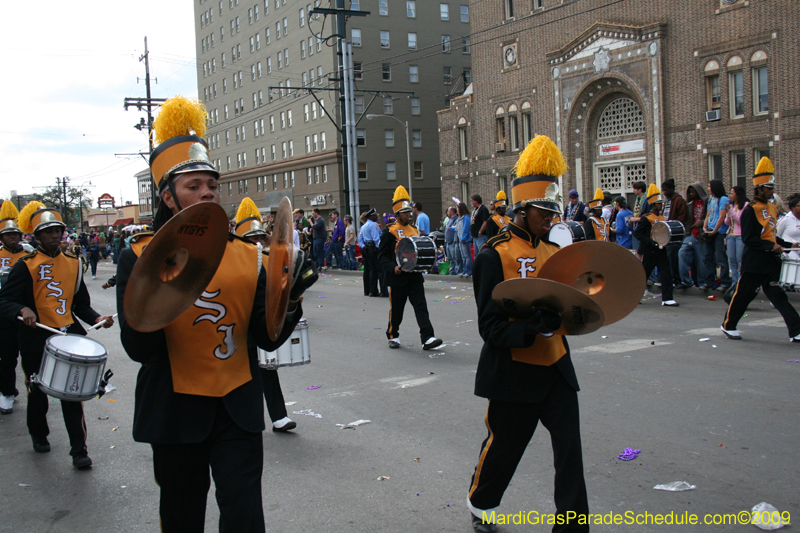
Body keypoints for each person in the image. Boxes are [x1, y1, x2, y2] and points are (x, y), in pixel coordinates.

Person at [114, 96, 317, 532]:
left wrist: (292, 296)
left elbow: (266, 338)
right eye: (193, 185)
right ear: (168, 196)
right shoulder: (139, 257)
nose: (208, 191)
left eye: (212, 183)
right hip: (175, 412)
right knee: (182, 519)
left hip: (237, 410)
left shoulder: (248, 255)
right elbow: (137, 348)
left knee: (245, 517)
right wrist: (162, 285)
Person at [468, 135, 588, 533]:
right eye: (543, 212)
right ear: (522, 209)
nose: (551, 219)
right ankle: (482, 502)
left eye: (554, 213)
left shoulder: (556, 252)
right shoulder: (493, 255)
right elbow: (490, 326)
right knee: (506, 448)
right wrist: (528, 329)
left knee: (569, 450)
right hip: (514, 372)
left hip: (555, 367)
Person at [0, 201, 114, 468]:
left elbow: (81, 304)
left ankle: (79, 450)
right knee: (37, 391)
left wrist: (97, 318)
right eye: (47, 231)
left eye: (57, 231)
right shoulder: (25, 265)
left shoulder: (74, 264)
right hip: (35, 338)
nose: (53, 236)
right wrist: (22, 309)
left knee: (72, 393)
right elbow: (4, 300)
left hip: (68, 337)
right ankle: (39, 435)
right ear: (37, 235)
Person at [235, 197, 297, 432]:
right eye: (252, 239)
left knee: (268, 370)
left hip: (259, 324)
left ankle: (279, 416)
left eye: (261, 237)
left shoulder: (271, 260)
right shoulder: (231, 261)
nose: (258, 242)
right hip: (237, 328)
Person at [721, 157, 800, 341]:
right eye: (768, 188)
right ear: (759, 189)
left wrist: (789, 245)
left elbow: (770, 235)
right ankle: (728, 325)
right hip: (754, 263)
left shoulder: (772, 208)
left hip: (771, 262)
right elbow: (749, 238)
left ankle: (796, 330)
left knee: (779, 297)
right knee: (743, 296)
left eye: (772, 187)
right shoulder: (751, 210)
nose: (772, 191)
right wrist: (772, 246)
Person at [379, 186, 442, 351]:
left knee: (421, 306)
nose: (409, 215)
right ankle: (393, 335)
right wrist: (394, 268)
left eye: (409, 212)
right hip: (398, 277)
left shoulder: (414, 230)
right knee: (397, 309)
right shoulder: (390, 231)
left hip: (414, 275)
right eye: (405, 212)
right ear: (398, 213)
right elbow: (382, 257)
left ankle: (427, 337)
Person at [0, 201, 27, 414]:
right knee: (7, 356)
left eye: (16, 234)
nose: (13, 238)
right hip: (3, 313)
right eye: (9, 235)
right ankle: (7, 392)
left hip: (25, 310)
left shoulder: (29, 255)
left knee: (30, 356)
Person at [633, 185, 679, 307]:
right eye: (659, 203)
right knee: (644, 275)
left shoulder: (662, 218)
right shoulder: (646, 218)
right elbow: (638, 233)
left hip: (661, 250)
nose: (661, 205)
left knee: (666, 274)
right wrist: (651, 242)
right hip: (649, 251)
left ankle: (667, 298)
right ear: (653, 205)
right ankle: (635, 297)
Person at [678, 182, 710, 288]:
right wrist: (687, 234)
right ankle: (686, 281)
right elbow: (688, 220)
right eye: (690, 191)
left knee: (702, 260)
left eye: (693, 191)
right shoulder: (690, 203)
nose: (691, 193)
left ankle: (702, 283)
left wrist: (700, 224)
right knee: (682, 254)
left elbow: (710, 217)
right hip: (691, 234)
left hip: (702, 234)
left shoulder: (707, 202)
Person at [702, 179, 731, 290]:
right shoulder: (711, 200)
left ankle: (724, 281)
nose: (708, 189)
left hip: (719, 233)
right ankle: (709, 281)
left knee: (720, 257)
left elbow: (722, 216)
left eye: (710, 186)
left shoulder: (723, 199)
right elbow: (708, 215)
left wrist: (715, 230)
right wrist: (705, 227)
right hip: (709, 231)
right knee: (707, 257)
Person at [661, 179, 688, 287]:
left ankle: (676, 279)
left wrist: (675, 226)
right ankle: (670, 278)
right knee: (667, 257)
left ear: (672, 189)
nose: (664, 192)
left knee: (673, 257)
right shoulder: (666, 201)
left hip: (674, 232)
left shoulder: (678, 200)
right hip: (665, 232)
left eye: (666, 190)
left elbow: (682, 216)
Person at [724, 186, 749, 285]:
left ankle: (740, 282)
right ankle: (734, 283)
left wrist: (730, 212)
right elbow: (727, 222)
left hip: (740, 235)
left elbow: (740, 220)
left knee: (740, 260)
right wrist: (728, 213)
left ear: (738, 195)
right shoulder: (732, 206)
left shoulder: (745, 205)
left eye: (732, 193)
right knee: (732, 260)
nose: (730, 196)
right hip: (730, 234)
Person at [358, 209, 382, 296]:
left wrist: (364, 247)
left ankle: (367, 290)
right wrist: (379, 248)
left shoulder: (363, 226)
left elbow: (359, 239)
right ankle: (375, 290)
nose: (377, 217)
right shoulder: (373, 225)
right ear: (371, 216)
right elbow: (376, 239)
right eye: (375, 215)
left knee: (368, 270)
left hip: (366, 249)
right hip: (373, 248)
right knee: (377, 270)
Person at [776, 193, 800, 259]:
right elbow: (775, 236)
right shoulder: (785, 219)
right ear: (793, 207)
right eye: (799, 206)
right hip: (789, 250)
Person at [457, 202, 473, 277]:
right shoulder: (460, 218)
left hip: (465, 240)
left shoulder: (466, 217)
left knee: (467, 256)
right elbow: (458, 228)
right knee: (463, 256)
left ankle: (468, 271)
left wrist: (463, 239)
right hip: (460, 239)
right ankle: (464, 270)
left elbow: (466, 228)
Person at [445, 206, 462, 276]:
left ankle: (457, 272)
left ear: (452, 212)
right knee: (450, 259)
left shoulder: (456, 219)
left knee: (455, 258)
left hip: (452, 242)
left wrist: (454, 239)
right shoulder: (450, 220)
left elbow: (455, 229)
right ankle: (452, 272)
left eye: (448, 211)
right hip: (448, 242)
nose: (447, 213)